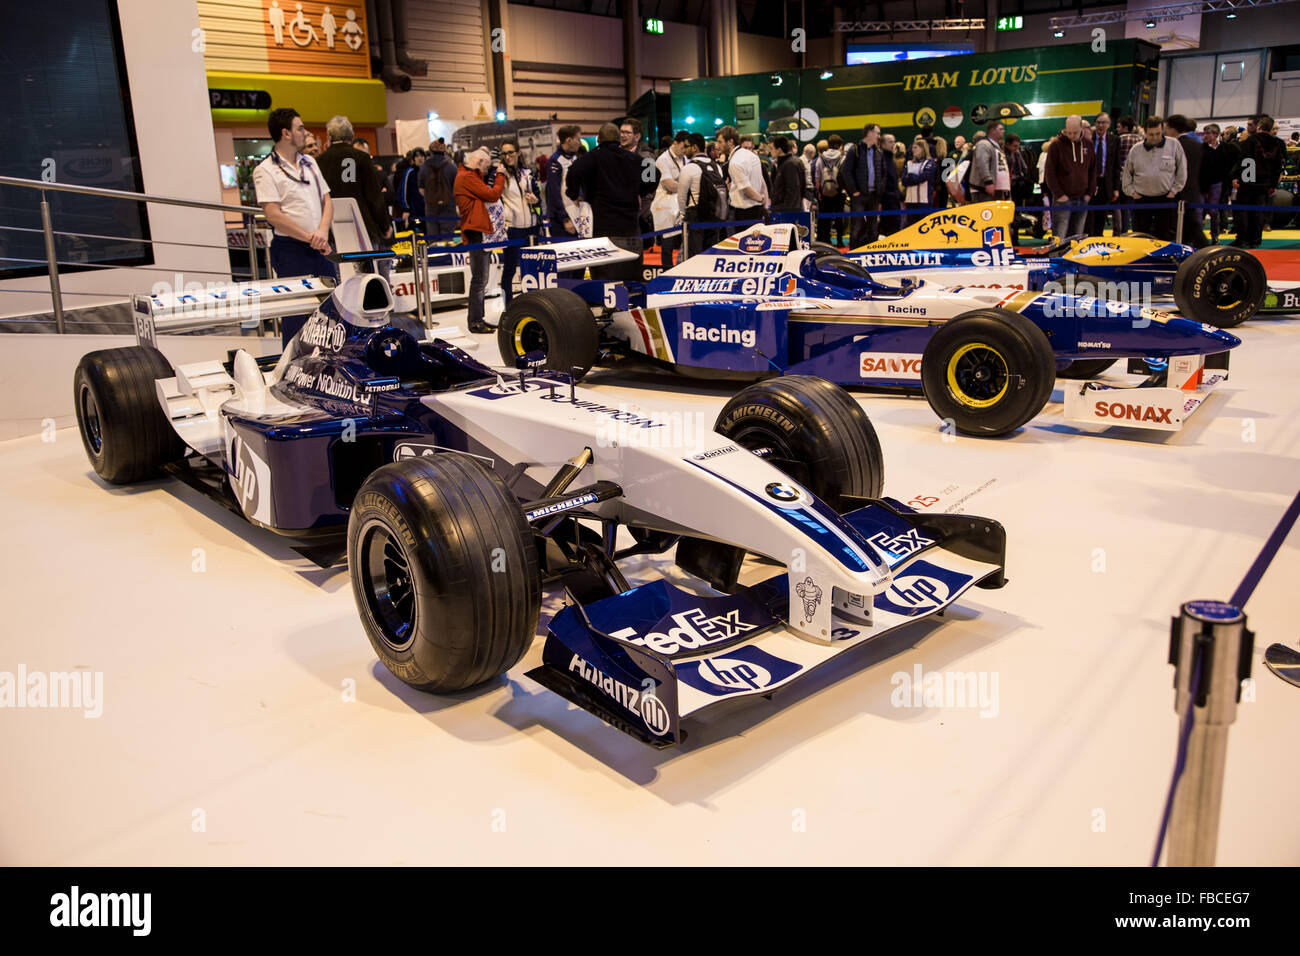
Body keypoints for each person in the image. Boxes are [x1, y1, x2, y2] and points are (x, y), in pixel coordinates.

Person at [252, 107, 336, 344]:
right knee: (297, 316)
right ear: (285, 133)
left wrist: (321, 231)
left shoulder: (310, 162)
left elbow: (327, 200)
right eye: (300, 128)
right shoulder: (265, 170)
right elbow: (273, 215)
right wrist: (309, 237)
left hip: (320, 246)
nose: (305, 132)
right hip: (290, 250)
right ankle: (293, 368)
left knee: (330, 312)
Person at [565, 122, 656, 280]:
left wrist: (573, 194)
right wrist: (640, 192)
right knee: (631, 279)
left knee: (604, 280)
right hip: (630, 227)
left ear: (598, 139)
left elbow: (572, 173)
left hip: (602, 228)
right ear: (618, 139)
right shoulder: (634, 158)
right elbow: (654, 175)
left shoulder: (591, 158)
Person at [316, 114, 390, 246]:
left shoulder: (319, 161)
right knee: (366, 265)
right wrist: (384, 225)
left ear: (329, 136)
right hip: (362, 226)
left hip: (332, 230)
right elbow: (374, 196)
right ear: (351, 135)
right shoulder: (362, 158)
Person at [454, 147, 506, 333]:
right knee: (479, 280)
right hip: (476, 232)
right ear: (479, 162)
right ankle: (475, 321)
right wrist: (500, 176)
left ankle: (478, 319)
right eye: (487, 166)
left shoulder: (468, 176)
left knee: (480, 280)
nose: (487, 170)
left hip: (479, 231)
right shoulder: (467, 178)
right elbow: (492, 194)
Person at [1121, 116, 1186, 242]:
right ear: (1145, 132)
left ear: (1162, 131)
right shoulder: (1136, 149)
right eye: (1151, 134)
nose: (1155, 137)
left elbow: (1182, 170)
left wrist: (1174, 190)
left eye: (1158, 133)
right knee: (1140, 235)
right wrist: (1132, 192)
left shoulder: (1174, 145)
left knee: (1164, 235)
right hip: (1141, 199)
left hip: (1165, 198)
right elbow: (1127, 174)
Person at [497, 141, 540, 306]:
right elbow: (494, 198)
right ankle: (507, 306)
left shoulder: (527, 173)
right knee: (509, 269)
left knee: (531, 269)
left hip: (530, 227)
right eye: (504, 154)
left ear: (518, 153)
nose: (508, 157)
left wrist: (535, 201)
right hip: (511, 228)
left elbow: (538, 199)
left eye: (511, 152)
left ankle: (533, 304)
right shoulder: (500, 174)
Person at [1232, 115, 1284, 248]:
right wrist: (1272, 184)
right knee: (1258, 212)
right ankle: (1255, 240)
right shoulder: (1277, 143)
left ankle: (1241, 239)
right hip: (1265, 182)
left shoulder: (1252, 140)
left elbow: (1245, 161)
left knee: (1243, 211)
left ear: (1259, 126)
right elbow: (1278, 166)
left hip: (1249, 181)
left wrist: (1240, 178)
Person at [842, 123, 894, 246]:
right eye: (877, 133)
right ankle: (853, 252)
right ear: (869, 133)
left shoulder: (878, 152)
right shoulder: (855, 150)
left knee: (873, 227)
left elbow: (883, 173)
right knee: (857, 226)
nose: (879, 136)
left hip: (874, 195)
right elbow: (846, 171)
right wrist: (854, 191)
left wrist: (879, 189)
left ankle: (872, 253)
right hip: (859, 195)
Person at [1044, 115, 1096, 238]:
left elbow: (1093, 170)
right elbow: (1049, 173)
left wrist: (1089, 193)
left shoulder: (1088, 144)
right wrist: (1059, 194)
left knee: (1077, 237)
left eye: (1075, 132)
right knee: (1060, 238)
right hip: (1062, 199)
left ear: (1081, 129)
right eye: (1069, 132)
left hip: (1082, 198)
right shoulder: (1056, 145)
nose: (1072, 135)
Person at [676, 132, 724, 257]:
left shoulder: (689, 168)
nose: (684, 150)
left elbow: (681, 197)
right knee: (710, 255)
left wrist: (683, 215)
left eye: (686, 146)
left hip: (695, 215)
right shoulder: (716, 167)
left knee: (693, 256)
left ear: (695, 147)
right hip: (714, 215)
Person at [1166, 115, 1207, 248]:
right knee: (1189, 227)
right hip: (1193, 191)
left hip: (1177, 193)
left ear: (1173, 129)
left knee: (1189, 228)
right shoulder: (1197, 144)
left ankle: (1208, 250)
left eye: (1167, 128)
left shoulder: (1174, 145)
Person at [545, 125, 591, 239]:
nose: (580, 143)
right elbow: (554, 193)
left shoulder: (574, 158)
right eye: (578, 139)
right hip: (562, 221)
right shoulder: (555, 161)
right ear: (568, 140)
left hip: (577, 215)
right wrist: (565, 219)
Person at [716, 126, 765, 231]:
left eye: (720, 142)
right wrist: (763, 201)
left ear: (730, 141)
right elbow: (762, 182)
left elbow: (747, 190)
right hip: (756, 210)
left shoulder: (735, 162)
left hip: (745, 214)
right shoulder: (751, 155)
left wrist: (761, 199)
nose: (717, 145)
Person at [653, 131, 689, 269]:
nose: (685, 150)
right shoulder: (663, 160)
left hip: (680, 204)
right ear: (675, 143)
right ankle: (666, 271)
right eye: (682, 146)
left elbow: (675, 186)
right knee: (667, 244)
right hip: (665, 207)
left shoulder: (686, 158)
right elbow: (669, 184)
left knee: (684, 242)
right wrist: (685, 185)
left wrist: (678, 185)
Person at [620, 117, 656, 237]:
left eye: (627, 132)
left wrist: (637, 214)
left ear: (637, 136)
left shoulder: (647, 158)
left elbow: (650, 191)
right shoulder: (617, 154)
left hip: (636, 218)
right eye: (622, 132)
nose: (623, 135)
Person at [1089, 112, 1120, 236]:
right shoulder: (1088, 138)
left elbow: (1116, 166)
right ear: (1095, 124)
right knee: (1089, 216)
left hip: (1105, 184)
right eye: (1098, 122)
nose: (1101, 125)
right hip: (1090, 183)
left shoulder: (1114, 140)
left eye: (1104, 123)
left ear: (1109, 125)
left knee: (1101, 217)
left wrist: (1116, 188)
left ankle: (1098, 239)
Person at [419, 139, 458, 237]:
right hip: (448, 208)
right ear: (444, 151)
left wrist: (431, 197)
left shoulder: (423, 167)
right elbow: (457, 188)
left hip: (431, 209)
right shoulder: (452, 167)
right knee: (448, 239)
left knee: (433, 239)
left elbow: (421, 190)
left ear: (430, 152)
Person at [814, 134, 846, 247]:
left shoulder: (821, 158)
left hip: (825, 192)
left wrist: (820, 191)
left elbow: (817, 176)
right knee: (839, 218)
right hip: (839, 191)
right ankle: (840, 241)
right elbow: (845, 175)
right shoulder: (843, 157)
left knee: (825, 218)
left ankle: (824, 241)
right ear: (840, 145)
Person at [1199, 123, 1227, 243]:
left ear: (1216, 134)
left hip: (1217, 183)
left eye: (1208, 133)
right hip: (1202, 183)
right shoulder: (1201, 148)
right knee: (1199, 212)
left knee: (1214, 212)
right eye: (1205, 133)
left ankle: (1215, 235)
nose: (1206, 136)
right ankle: (1198, 237)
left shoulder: (1224, 148)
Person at [970, 121, 1010, 203]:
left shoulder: (995, 145)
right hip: (983, 189)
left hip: (996, 188)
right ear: (993, 131)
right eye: (1001, 129)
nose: (1003, 131)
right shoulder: (984, 144)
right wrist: (988, 182)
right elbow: (982, 164)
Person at [1114, 116, 1142, 232]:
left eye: (1119, 126)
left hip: (1121, 177)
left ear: (1125, 127)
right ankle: (1129, 229)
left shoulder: (1119, 139)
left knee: (1118, 207)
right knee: (1130, 207)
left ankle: (1119, 231)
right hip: (1136, 179)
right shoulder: (1140, 140)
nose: (1117, 129)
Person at [901, 140, 937, 225]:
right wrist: (915, 178)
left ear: (922, 148)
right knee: (911, 226)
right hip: (910, 201)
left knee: (924, 225)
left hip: (924, 201)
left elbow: (923, 177)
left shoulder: (929, 162)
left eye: (915, 147)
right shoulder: (909, 163)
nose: (913, 150)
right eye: (913, 147)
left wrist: (911, 177)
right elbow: (903, 180)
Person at [768, 136, 804, 213]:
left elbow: (792, 189)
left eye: (772, 148)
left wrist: (787, 210)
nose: (770, 151)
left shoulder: (789, 164)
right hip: (785, 208)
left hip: (786, 210)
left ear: (779, 150)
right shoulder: (786, 163)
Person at [395, 148, 426, 231]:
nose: (420, 158)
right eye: (417, 156)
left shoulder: (428, 172)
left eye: (422, 156)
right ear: (413, 159)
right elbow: (403, 192)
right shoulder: (410, 172)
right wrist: (406, 209)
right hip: (414, 212)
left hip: (428, 211)